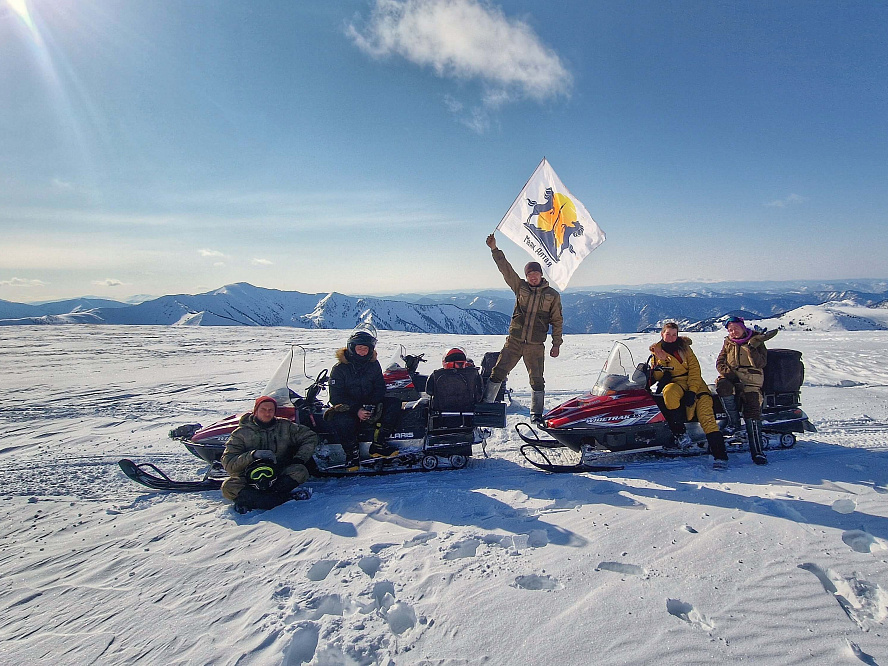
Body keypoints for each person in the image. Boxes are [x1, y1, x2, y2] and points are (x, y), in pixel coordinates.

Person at [484, 233, 563, 423]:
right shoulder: (520, 287)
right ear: (526, 276)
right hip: (514, 342)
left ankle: (536, 413)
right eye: (529, 274)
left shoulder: (552, 295)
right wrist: (494, 249)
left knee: (537, 380)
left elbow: (557, 320)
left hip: (535, 345)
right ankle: (486, 406)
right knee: (498, 372)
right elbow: (506, 269)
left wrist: (556, 344)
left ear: (541, 275)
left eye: (536, 274)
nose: (533, 277)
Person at [649, 322, 728, 468]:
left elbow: (694, 370)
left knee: (706, 416)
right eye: (668, 334)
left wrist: (692, 391)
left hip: (696, 385)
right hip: (676, 383)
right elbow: (657, 375)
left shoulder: (685, 348)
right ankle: (680, 433)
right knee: (669, 394)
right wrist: (661, 362)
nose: (671, 337)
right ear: (662, 334)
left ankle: (720, 456)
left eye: (674, 334)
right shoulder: (657, 351)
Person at [221, 395, 318, 513]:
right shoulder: (240, 433)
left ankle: (252, 500)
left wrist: (299, 458)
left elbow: (310, 436)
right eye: (263, 409)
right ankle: (280, 499)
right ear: (255, 411)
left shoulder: (285, 426)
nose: (267, 413)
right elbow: (229, 463)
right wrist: (252, 455)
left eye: (271, 410)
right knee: (228, 487)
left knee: (300, 471)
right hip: (250, 477)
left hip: (277, 473)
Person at [327, 325, 399, 470]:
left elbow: (380, 386)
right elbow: (336, 396)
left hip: (369, 403)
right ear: (352, 348)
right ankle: (352, 455)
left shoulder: (373, 365)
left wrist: (371, 405)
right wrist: (356, 409)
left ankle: (378, 444)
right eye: (359, 348)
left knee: (394, 403)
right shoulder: (340, 368)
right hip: (349, 406)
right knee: (341, 419)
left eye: (365, 349)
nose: (362, 352)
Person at [716, 316, 778, 465]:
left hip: (751, 381)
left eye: (736, 328)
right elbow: (720, 362)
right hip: (732, 378)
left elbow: (760, 363)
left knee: (752, 408)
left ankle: (757, 451)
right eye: (730, 330)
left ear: (743, 327)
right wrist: (730, 375)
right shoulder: (728, 342)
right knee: (722, 386)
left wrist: (751, 348)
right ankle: (734, 424)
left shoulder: (756, 341)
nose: (733, 332)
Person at [425, 348, 484, 427]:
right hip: (467, 418)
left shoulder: (437, 374)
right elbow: (479, 394)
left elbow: (429, 391)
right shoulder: (473, 374)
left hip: (441, 418)